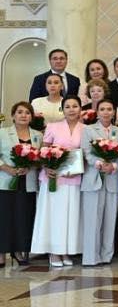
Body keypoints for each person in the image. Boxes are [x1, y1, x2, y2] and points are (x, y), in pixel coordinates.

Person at [30, 95, 85, 267]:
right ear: (63, 109)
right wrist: (47, 167)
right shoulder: (52, 126)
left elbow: (86, 153)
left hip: (74, 177)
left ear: (80, 109)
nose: (71, 110)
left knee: (70, 215)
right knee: (54, 215)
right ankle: (54, 252)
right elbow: (43, 150)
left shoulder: (86, 129)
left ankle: (66, 250)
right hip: (53, 178)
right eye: (67, 106)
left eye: (75, 106)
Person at [80, 99, 118, 266]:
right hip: (93, 178)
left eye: (109, 109)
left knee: (110, 219)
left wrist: (113, 166)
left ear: (114, 112)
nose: (106, 112)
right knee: (92, 220)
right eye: (102, 109)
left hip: (112, 178)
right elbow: (86, 152)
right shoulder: (88, 130)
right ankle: (91, 257)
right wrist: (98, 163)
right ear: (97, 112)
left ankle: (106, 256)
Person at [0, 102, 42, 266]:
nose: (23, 115)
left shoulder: (38, 135)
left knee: (23, 216)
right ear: (13, 115)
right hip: (6, 180)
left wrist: (29, 167)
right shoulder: (3, 133)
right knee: (4, 217)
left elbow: (40, 159)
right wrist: (7, 168)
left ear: (31, 117)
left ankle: (18, 250)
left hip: (28, 181)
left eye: (27, 113)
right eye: (19, 112)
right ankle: (1, 252)